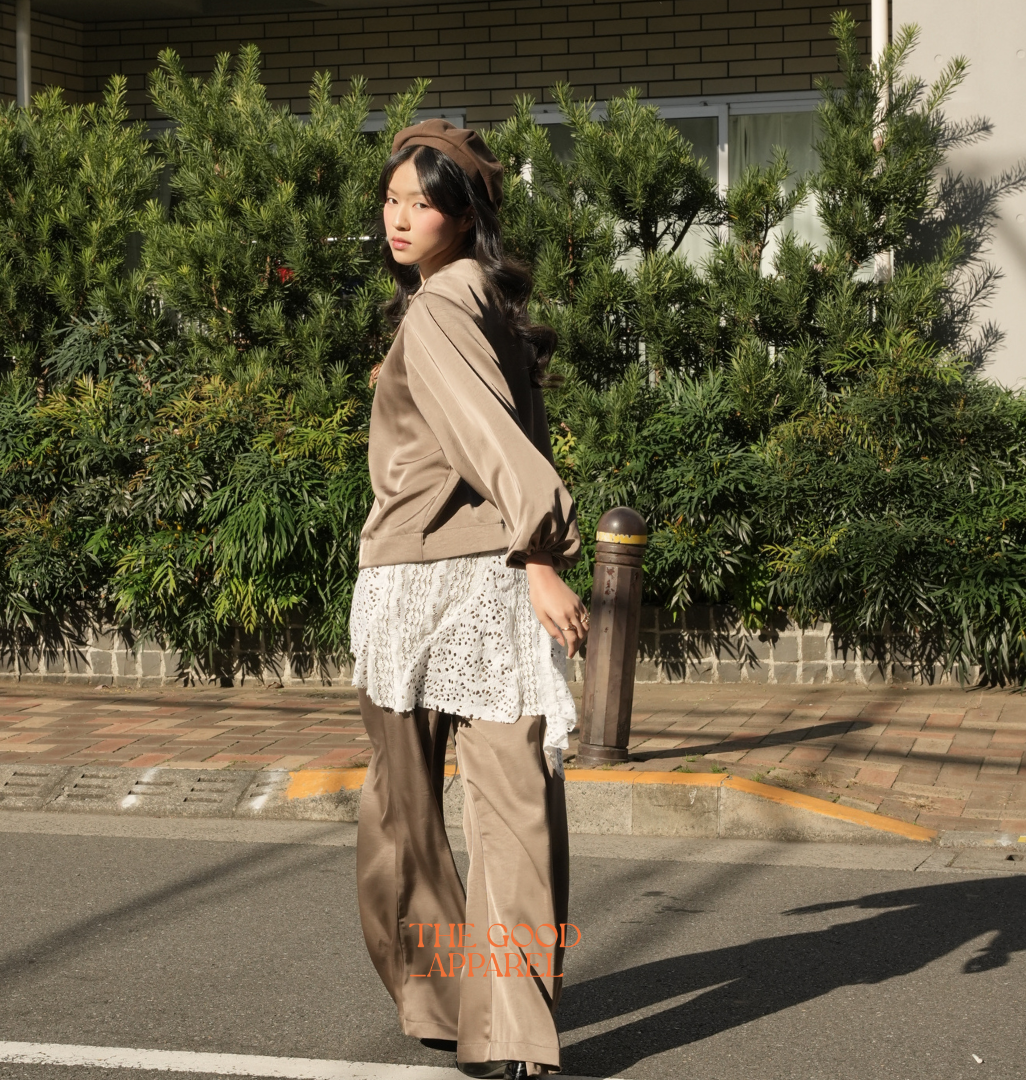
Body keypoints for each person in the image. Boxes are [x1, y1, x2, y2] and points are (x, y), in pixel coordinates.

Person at [349, 118, 588, 1080]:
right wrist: (531, 558)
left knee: (402, 820)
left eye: (422, 203)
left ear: (462, 216)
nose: (399, 218)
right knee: (514, 813)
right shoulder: (484, 300)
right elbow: (513, 436)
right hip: (488, 583)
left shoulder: (438, 310)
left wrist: (541, 550)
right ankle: (510, 1032)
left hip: (425, 583)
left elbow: (496, 446)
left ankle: (451, 1006)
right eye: (391, 200)